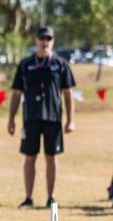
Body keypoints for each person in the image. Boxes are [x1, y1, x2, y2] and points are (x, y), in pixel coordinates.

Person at [8, 25, 76, 209]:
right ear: (36, 40)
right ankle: (28, 198)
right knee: (30, 157)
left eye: (49, 39)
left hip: (53, 118)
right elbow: (16, 93)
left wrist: (71, 120)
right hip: (30, 117)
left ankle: (51, 197)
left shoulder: (61, 65)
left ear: (52, 41)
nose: (45, 42)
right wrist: (11, 119)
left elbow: (68, 93)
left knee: (51, 157)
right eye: (42, 38)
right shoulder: (25, 64)